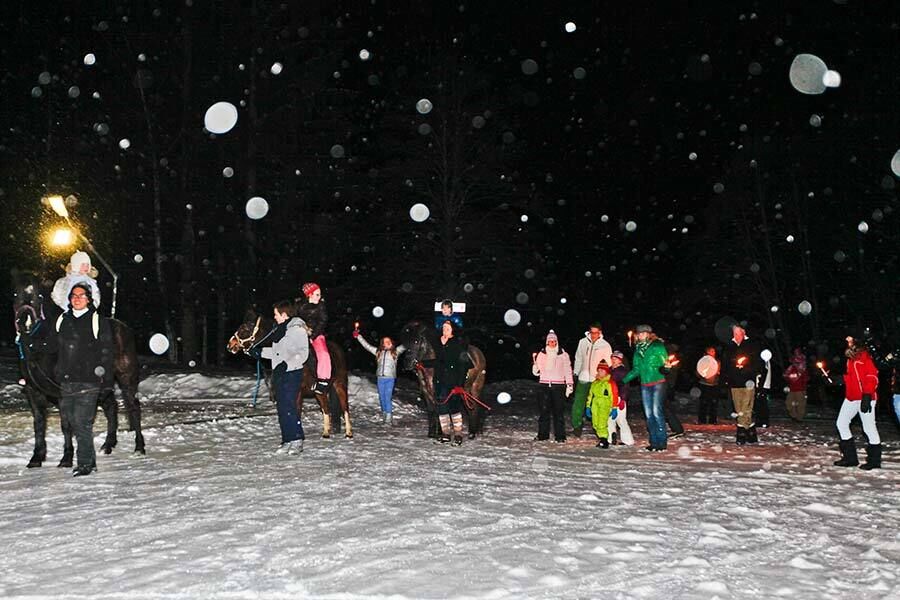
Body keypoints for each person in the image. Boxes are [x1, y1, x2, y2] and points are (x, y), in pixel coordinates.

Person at [52, 283, 114, 476]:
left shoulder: (97, 321)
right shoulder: (62, 320)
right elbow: (51, 346)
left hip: (89, 381)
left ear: (89, 299)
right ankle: (90, 461)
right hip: (66, 381)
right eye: (73, 296)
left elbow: (107, 353)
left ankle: (85, 464)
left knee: (81, 422)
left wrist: (106, 381)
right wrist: (27, 342)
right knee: (70, 421)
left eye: (81, 295)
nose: (77, 299)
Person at [256, 300, 309, 455]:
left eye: (276, 314)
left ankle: (297, 440)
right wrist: (260, 352)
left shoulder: (297, 329)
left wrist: (287, 364)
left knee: (289, 407)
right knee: (281, 408)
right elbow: (276, 353)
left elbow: (303, 352)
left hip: (292, 373)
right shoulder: (280, 330)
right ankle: (287, 440)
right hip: (279, 374)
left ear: (284, 314)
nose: (275, 317)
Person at [833, 335, 881, 470]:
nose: (848, 343)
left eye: (850, 341)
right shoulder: (851, 359)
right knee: (841, 423)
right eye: (847, 341)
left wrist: (867, 395)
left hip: (865, 397)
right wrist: (840, 379)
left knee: (869, 427)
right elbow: (853, 377)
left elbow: (872, 376)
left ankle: (874, 460)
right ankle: (850, 458)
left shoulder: (865, 357)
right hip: (851, 397)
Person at [421, 320, 472, 445]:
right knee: (442, 408)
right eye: (444, 328)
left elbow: (464, 365)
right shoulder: (440, 343)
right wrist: (423, 364)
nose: (445, 331)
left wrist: (459, 385)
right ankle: (446, 434)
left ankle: (458, 435)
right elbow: (439, 362)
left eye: (448, 329)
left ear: (452, 331)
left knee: (454, 408)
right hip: (440, 380)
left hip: (453, 382)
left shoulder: (457, 344)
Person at [622, 324, 671, 451]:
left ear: (649, 334)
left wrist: (666, 368)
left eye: (644, 333)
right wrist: (623, 380)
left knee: (656, 411)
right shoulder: (638, 350)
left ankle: (662, 442)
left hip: (658, 382)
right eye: (639, 333)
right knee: (648, 414)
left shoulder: (657, 346)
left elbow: (665, 363)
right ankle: (654, 442)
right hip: (645, 384)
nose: (641, 335)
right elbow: (636, 369)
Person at [354, 325, 406, 425]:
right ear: (382, 344)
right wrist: (358, 336)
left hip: (390, 378)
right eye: (385, 342)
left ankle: (388, 418)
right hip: (380, 379)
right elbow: (367, 346)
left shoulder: (395, 352)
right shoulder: (378, 352)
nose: (388, 343)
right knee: (382, 398)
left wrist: (411, 337)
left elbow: (405, 345)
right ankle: (384, 413)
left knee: (387, 397)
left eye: (389, 341)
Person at [720, 323, 760, 445]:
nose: (736, 336)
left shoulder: (751, 346)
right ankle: (750, 430)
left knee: (746, 407)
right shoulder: (729, 347)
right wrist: (726, 378)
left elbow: (757, 363)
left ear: (743, 333)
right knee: (739, 408)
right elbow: (726, 364)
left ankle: (741, 431)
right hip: (735, 382)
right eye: (734, 333)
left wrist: (746, 369)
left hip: (749, 382)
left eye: (738, 333)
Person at [531, 330, 573, 443]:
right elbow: (537, 370)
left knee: (558, 412)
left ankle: (560, 436)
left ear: (557, 342)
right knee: (544, 412)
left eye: (554, 341)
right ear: (547, 342)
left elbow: (568, 370)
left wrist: (569, 384)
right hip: (544, 385)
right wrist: (535, 369)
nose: (552, 343)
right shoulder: (542, 354)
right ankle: (543, 435)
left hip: (558, 386)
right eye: (550, 341)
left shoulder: (563, 355)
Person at [571, 322, 612, 437]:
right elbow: (578, 358)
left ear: (600, 332)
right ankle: (577, 425)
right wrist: (576, 372)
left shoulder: (605, 345)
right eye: (592, 332)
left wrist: (605, 377)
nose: (594, 335)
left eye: (596, 333)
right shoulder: (582, 342)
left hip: (597, 379)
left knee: (596, 404)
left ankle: (600, 427)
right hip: (583, 378)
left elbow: (608, 363)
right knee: (578, 403)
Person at [296, 282, 330, 393]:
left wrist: (313, 335)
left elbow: (322, 321)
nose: (319, 297)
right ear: (309, 294)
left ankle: (323, 381)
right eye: (317, 294)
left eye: (320, 294)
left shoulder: (320, 306)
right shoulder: (299, 306)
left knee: (323, 354)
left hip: (316, 334)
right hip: (300, 334)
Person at [586, 360, 618, 449]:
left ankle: (604, 439)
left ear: (606, 372)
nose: (600, 372)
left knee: (601, 423)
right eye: (599, 370)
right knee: (595, 423)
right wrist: (588, 406)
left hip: (605, 404)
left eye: (602, 370)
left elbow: (614, 395)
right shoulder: (595, 383)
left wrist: (614, 407)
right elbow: (590, 395)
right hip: (595, 405)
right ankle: (601, 438)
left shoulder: (609, 383)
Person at [608, 351, 634, 445]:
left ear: (620, 360)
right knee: (610, 419)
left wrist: (623, 399)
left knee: (621, 419)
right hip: (610, 397)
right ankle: (610, 438)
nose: (613, 360)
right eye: (612, 358)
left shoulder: (622, 371)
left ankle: (627, 440)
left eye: (615, 359)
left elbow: (625, 386)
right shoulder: (609, 370)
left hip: (619, 397)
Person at [663, 342, 685, 438]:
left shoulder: (669, 355)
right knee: (664, 405)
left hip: (665, 383)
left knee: (664, 406)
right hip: (666, 382)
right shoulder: (666, 354)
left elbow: (673, 369)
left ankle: (677, 428)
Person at [783, 348, 810, 422]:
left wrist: (801, 379)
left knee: (800, 405)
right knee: (789, 404)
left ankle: (799, 418)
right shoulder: (791, 367)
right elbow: (786, 376)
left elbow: (806, 378)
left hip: (800, 389)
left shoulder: (803, 367)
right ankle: (794, 416)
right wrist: (789, 378)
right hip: (791, 389)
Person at [696, 347, 721, 424]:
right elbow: (698, 371)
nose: (712, 352)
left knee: (713, 403)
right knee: (704, 402)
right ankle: (702, 420)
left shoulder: (717, 361)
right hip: (704, 384)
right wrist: (702, 374)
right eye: (710, 351)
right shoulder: (703, 360)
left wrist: (718, 373)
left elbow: (718, 370)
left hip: (714, 384)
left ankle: (712, 420)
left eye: (713, 351)